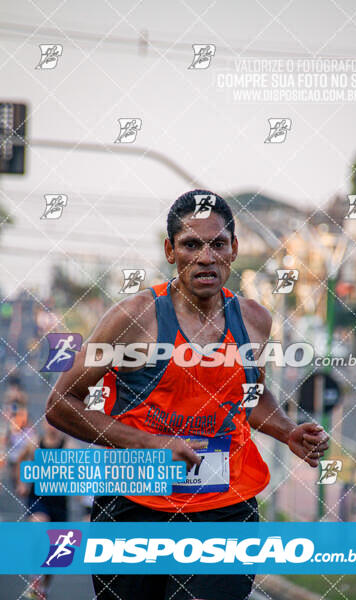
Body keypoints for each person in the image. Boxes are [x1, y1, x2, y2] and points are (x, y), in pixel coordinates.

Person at [46, 189, 329, 600]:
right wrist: (151, 444)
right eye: (191, 245)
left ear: (234, 249)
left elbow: (248, 395)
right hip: (133, 508)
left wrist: (288, 431)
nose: (205, 257)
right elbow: (60, 404)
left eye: (217, 244)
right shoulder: (132, 318)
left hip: (226, 509)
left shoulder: (254, 320)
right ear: (170, 250)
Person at [16, 421, 70, 600]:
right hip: (38, 499)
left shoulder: (68, 446)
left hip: (59, 503)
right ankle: (35, 576)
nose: (52, 427)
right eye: (49, 424)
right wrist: (21, 482)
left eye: (56, 424)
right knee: (40, 528)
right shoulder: (36, 443)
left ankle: (44, 586)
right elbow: (20, 459)